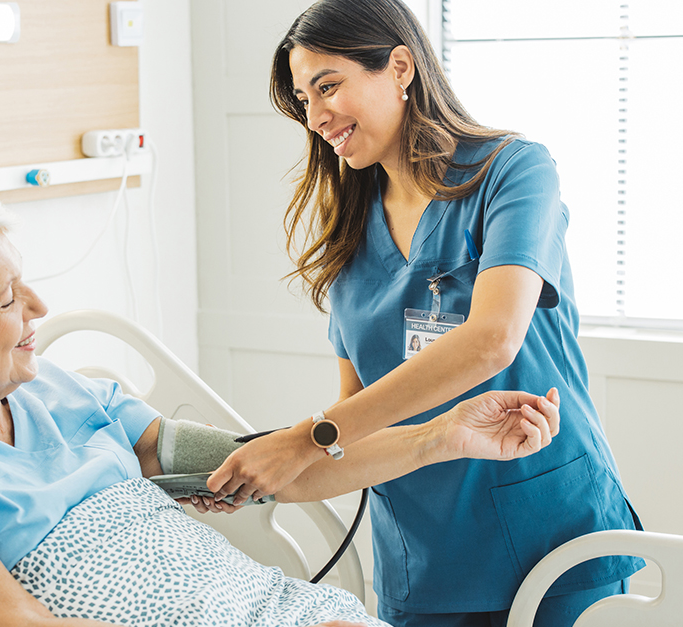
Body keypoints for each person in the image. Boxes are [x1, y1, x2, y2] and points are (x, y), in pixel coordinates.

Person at [0, 192, 561, 627]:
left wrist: (444, 435)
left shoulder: (61, 390)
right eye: (6, 298)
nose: (40, 309)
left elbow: (274, 468)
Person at [205, 1, 645, 625]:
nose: (316, 115)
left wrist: (308, 438)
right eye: (304, 100)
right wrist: (270, 470)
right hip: (425, 561)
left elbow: (492, 340)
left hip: (553, 533)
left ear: (401, 66)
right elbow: (355, 439)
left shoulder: (512, 172)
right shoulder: (348, 241)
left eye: (328, 86)